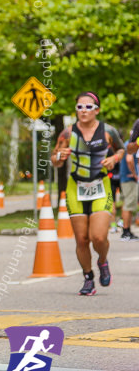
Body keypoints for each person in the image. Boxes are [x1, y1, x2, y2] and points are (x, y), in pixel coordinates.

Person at [52, 92, 123, 296]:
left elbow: (121, 150)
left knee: (98, 237)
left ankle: (102, 261)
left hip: (101, 186)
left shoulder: (108, 131)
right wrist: (59, 156)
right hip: (76, 188)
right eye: (79, 107)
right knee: (82, 239)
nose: (83, 111)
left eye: (88, 107)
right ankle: (88, 277)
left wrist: (114, 160)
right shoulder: (67, 133)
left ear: (97, 110)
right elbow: (54, 160)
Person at [120, 139, 138, 241]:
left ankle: (127, 231)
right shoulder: (131, 144)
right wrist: (135, 175)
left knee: (128, 205)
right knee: (128, 205)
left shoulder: (128, 143)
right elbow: (129, 159)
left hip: (126, 178)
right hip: (129, 178)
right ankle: (126, 232)